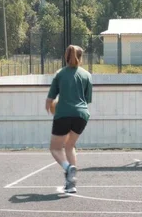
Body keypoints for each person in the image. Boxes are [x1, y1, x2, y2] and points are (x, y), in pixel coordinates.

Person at [45, 45, 92, 194]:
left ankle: (68, 168)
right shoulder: (87, 75)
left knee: (55, 148)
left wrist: (51, 108)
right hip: (82, 115)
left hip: (64, 114)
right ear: (81, 57)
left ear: (65, 57)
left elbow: (49, 100)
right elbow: (87, 99)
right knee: (70, 146)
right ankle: (71, 184)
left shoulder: (59, 74)